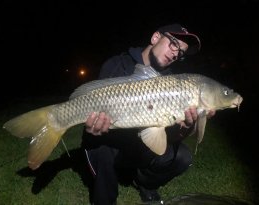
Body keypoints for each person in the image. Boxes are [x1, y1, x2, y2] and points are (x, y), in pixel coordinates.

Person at [81, 23, 215, 205]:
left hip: (138, 147)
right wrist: (94, 127)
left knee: (182, 156)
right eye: (174, 43)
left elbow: (167, 136)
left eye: (181, 53)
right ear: (155, 38)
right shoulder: (117, 65)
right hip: (110, 142)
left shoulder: (171, 81)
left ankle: (145, 184)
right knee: (103, 146)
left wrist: (185, 127)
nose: (176, 53)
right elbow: (93, 111)